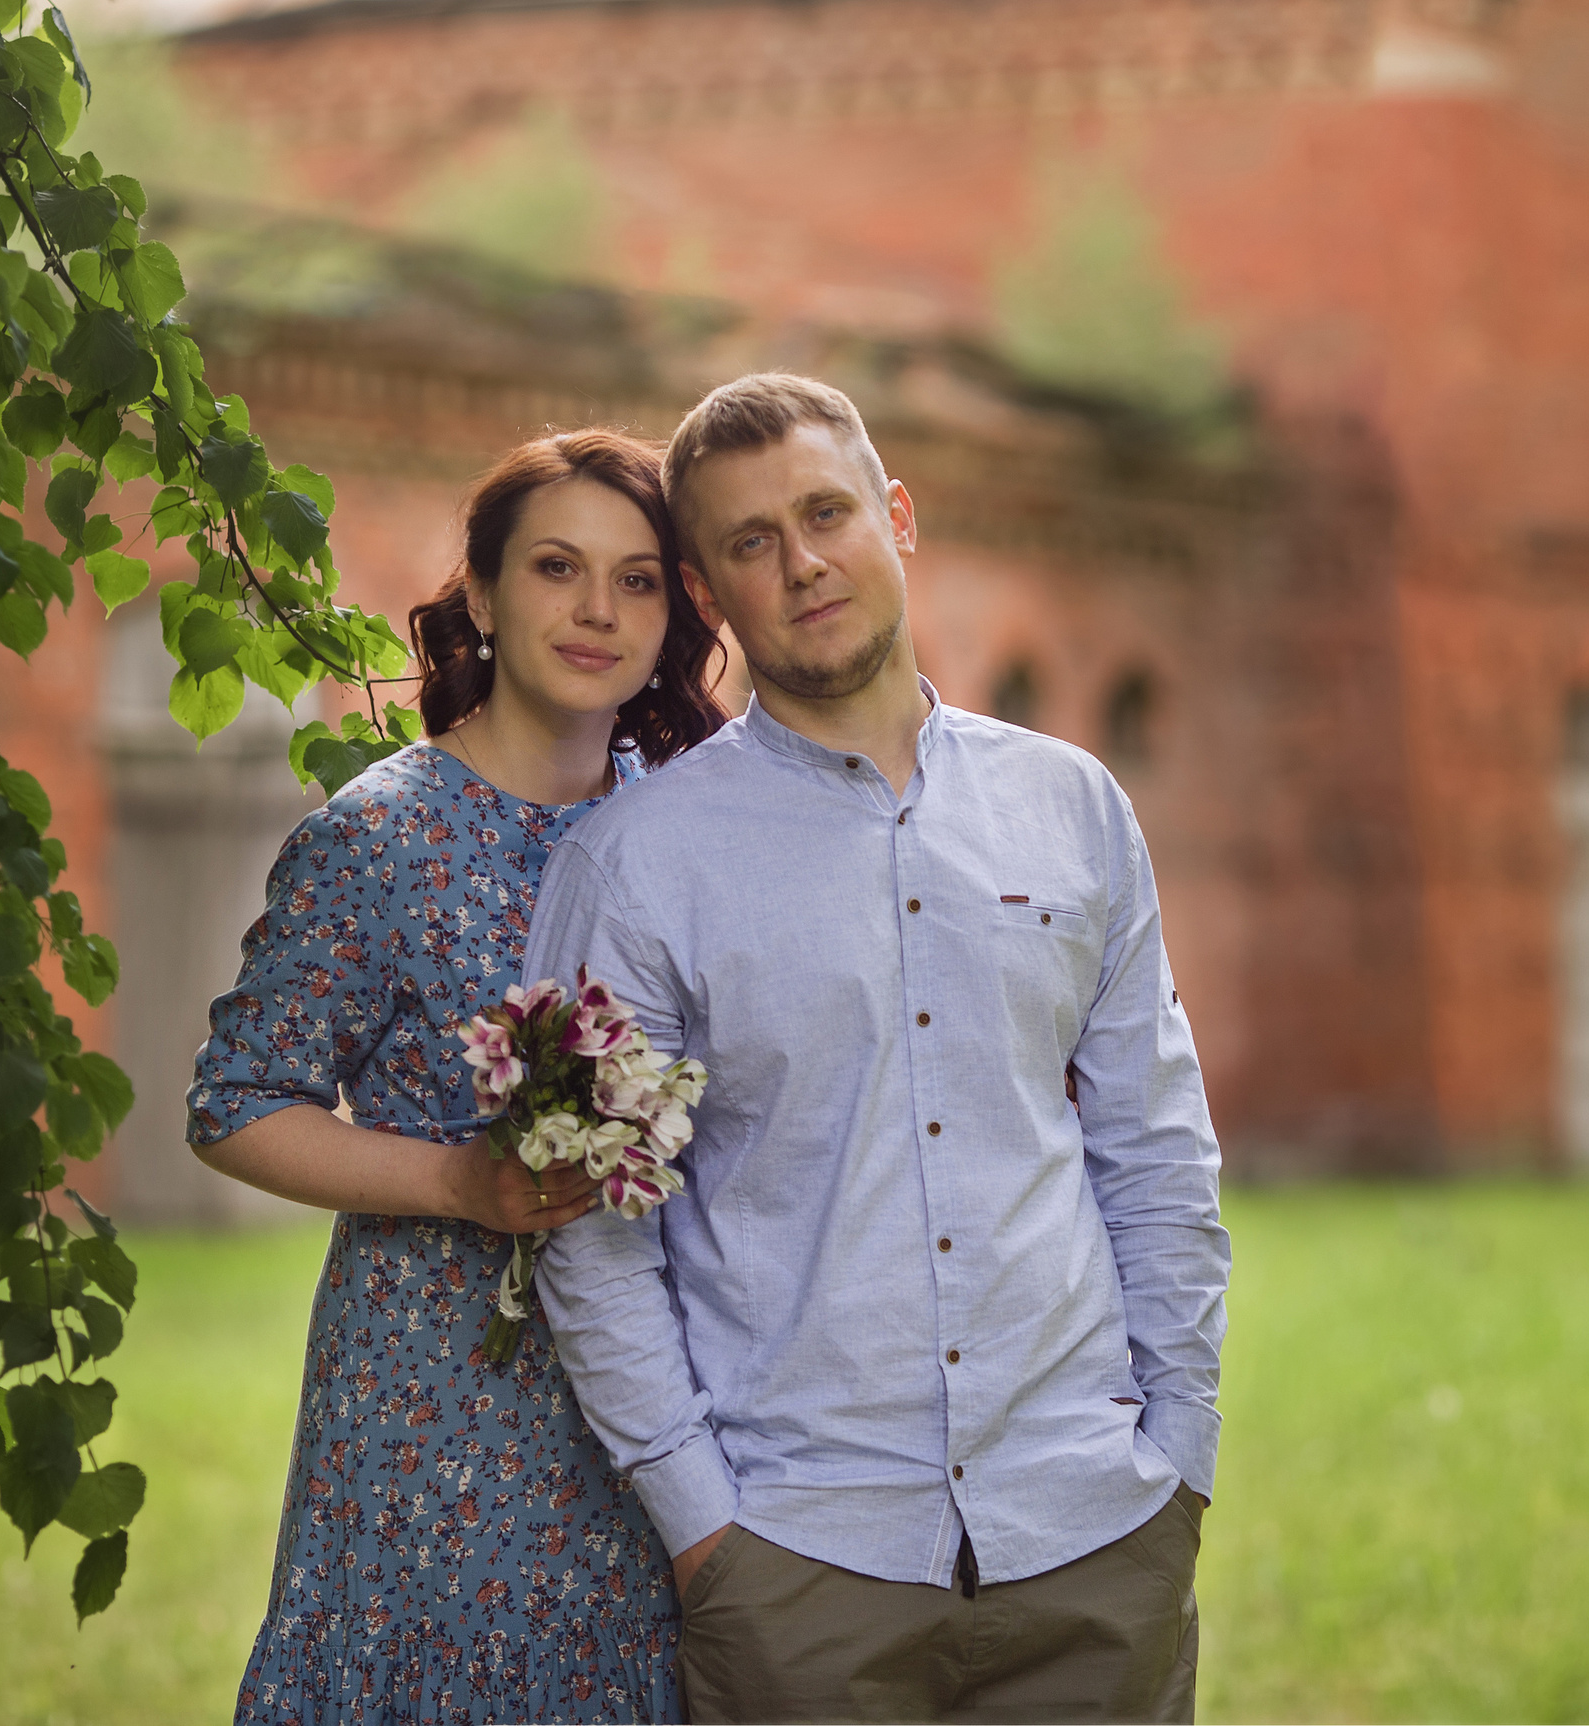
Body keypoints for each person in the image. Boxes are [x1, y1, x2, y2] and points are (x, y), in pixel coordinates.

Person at [526, 374, 1232, 1724]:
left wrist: (1178, 1452)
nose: (800, 562)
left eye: (826, 512)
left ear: (894, 516)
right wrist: (703, 1528)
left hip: (1095, 1537)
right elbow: (592, 1233)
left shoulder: (1072, 806)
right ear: (704, 587)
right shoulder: (633, 865)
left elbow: (1154, 1146)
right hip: (801, 1564)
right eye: (749, 541)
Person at [186, 428, 727, 1725]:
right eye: (557, 567)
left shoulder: (699, 826)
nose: (599, 609)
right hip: (436, 1399)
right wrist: (454, 1176)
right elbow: (235, 1101)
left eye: (640, 578)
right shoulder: (379, 835)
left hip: (665, 1391)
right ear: (482, 596)